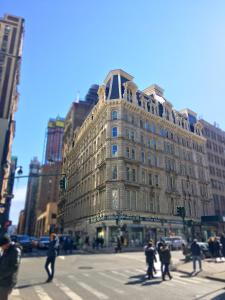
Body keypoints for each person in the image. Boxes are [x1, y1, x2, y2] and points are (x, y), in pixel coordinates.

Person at [0, 235, 21, 300]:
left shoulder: (15, 251)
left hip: (7, 281)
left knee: (3, 298)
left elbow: (13, 268)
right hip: (3, 279)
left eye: (2, 246)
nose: (1, 248)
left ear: (7, 244)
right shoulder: (7, 249)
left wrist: (1, 275)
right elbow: (3, 260)